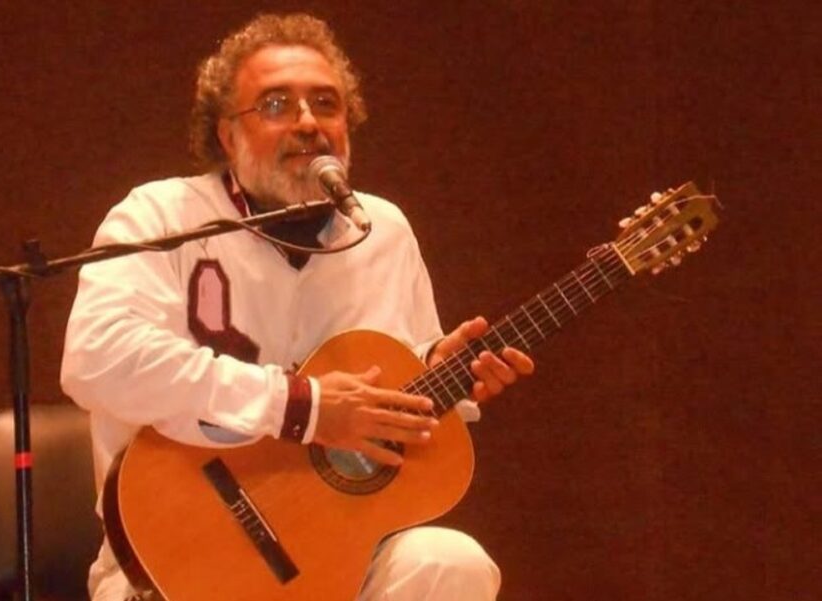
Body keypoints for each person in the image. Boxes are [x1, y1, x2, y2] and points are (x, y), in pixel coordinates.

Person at [60, 13, 535, 601]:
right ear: (226, 136)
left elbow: (391, 407)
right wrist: (299, 405)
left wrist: (441, 368)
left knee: (451, 564)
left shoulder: (383, 230)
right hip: (176, 559)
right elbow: (99, 357)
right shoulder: (161, 218)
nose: (308, 123)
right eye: (277, 105)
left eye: (326, 105)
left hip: (333, 555)